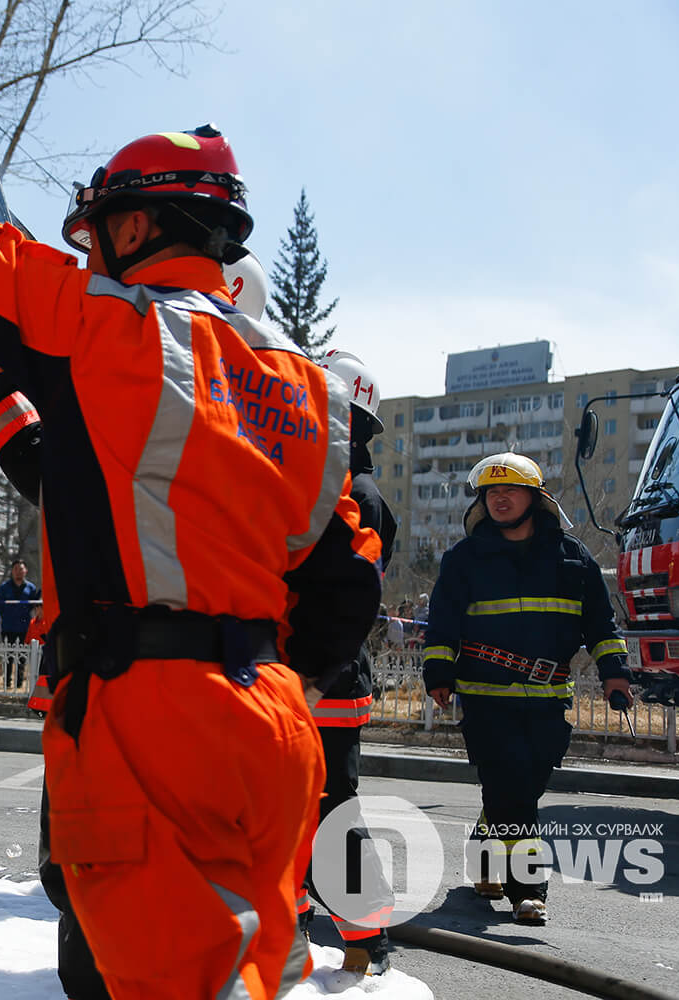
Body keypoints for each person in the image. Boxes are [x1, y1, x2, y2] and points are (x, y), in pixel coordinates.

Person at [0, 69, 381, 999]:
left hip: (154, 714)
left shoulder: (109, 330)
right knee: (250, 975)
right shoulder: (305, 389)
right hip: (275, 725)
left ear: (132, 226)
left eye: (99, 236)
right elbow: (339, 594)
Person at [422, 453, 632, 925]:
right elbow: (443, 625)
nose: (500, 498)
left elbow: (600, 622)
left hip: (547, 699)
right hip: (486, 699)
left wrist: (614, 670)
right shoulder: (464, 560)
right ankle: (527, 891)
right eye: (491, 492)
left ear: (536, 499)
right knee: (511, 789)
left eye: (511, 490)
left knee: (521, 790)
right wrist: (438, 673)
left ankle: (483, 850)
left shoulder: (572, 558)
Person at [302, 350, 399, 974]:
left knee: (331, 811)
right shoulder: (333, 483)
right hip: (314, 676)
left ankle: (365, 941)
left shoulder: (353, 493)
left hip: (325, 679)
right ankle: (290, 928)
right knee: (292, 807)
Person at [0, 560, 40, 688]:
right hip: (8, 626)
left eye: (21, 569)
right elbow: (0, 605)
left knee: (22, 656)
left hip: (24, 627)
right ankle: (7, 681)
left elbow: (34, 605)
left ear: (25, 571)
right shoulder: (5, 587)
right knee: (8, 655)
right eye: (16, 569)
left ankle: (19, 682)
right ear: (12, 571)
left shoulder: (31, 588)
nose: (18, 572)